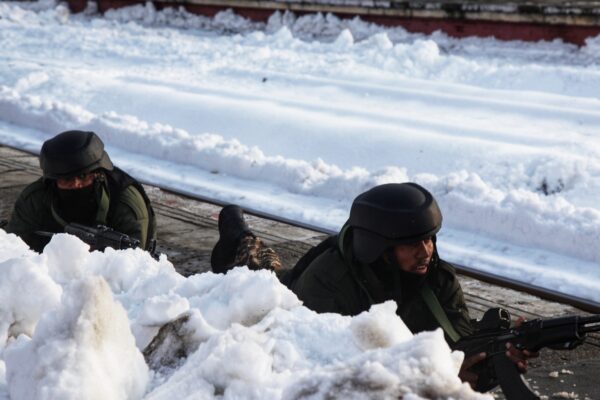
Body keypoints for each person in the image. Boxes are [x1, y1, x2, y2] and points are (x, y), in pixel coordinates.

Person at [210, 182, 536, 389]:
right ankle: (236, 233)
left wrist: (493, 357)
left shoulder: (437, 279)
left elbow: (457, 344)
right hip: (288, 301)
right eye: (411, 244)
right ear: (378, 247)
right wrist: (436, 378)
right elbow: (322, 369)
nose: (425, 252)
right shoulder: (328, 283)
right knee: (257, 266)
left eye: (429, 240)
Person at [6, 130, 156, 253]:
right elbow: (12, 250)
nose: (76, 184)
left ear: (98, 174)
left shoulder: (124, 202)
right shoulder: (35, 199)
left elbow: (136, 265)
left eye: (83, 176)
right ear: (54, 181)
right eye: (67, 180)